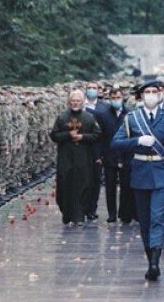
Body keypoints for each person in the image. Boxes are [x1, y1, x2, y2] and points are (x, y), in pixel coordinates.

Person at [111, 81, 164, 282]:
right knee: (145, 220)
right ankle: (150, 258)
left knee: (158, 217)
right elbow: (116, 143)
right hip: (140, 172)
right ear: (141, 96)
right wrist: (137, 141)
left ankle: (155, 262)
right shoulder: (132, 118)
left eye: (154, 91)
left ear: (160, 95)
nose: (151, 94)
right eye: (147, 92)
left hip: (161, 171)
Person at [50, 90, 102, 227]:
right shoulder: (62, 117)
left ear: (83, 102)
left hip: (83, 157)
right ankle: (67, 214)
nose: (75, 103)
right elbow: (54, 135)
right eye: (73, 101)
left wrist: (83, 137)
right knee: (65, 184)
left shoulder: (89, 118)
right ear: (69, 102)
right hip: (66, 157)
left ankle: (80, 215)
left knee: (83, 185)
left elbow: (97, 134)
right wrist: (68, 134)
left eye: (78, 101)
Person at [93, 88, 133, 223]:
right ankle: (112, 214)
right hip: (109, 154)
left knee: (126, 185)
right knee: (110, 186)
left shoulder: (130, 113)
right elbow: (99, 137)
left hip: (126, 154)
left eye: (118, 97)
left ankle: (124, 213)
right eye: (113, 98)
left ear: (123, 98)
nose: (116, 100)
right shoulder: (103, 115)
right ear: (109, 99)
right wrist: (98, 155)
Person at [84, 82, 108, 221]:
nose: (92, 90)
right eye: (89, 88)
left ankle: (92, 208)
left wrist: (102, 152)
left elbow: (106, 132)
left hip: (97, 149)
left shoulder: (105, 107)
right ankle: (82, 207)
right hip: (82, 148)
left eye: (94, 88)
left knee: (95, 180)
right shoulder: (80, 105)